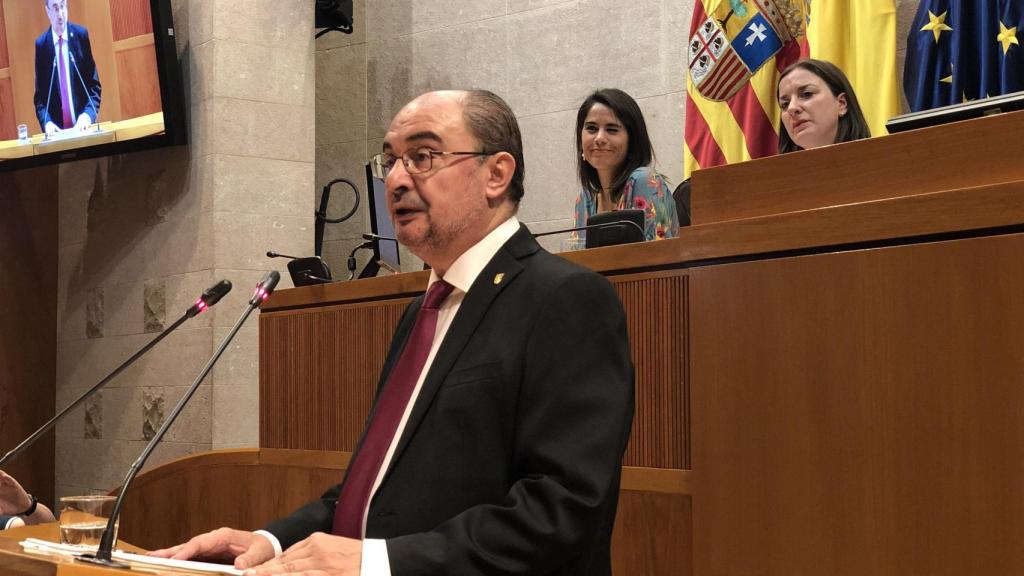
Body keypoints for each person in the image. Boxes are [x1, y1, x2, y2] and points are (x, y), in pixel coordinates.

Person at [152, 90, 635, 575]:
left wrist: (381, 562)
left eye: (422, 157)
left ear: (496, 174)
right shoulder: (423, 310)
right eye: (391, 160)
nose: (398, 179)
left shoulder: (566, 299)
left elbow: (563, 511)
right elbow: (377, 491)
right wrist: (270, 541)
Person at [572, 88, 679, 243]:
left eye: (612, 130)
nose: (599, 138)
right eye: (592, 129)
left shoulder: (644, 181)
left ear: (632, 141)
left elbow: (658, 259)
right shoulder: (585, 198)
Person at [33, 0, 102, 137]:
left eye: (63, 6)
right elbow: (40, 98)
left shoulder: (80, 36)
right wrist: (47, 122)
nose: (61, 14)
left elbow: (94, 86)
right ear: (48, 11)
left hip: (83, 130)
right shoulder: (41, 46)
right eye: (56, 8)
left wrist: (87, 116)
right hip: (57, 136)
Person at [777, 58, 870, 153]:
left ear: (842, 104)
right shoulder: (773, 168)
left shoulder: (882, 160)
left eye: (806, 94)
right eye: (785, 104)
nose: (791, 108)